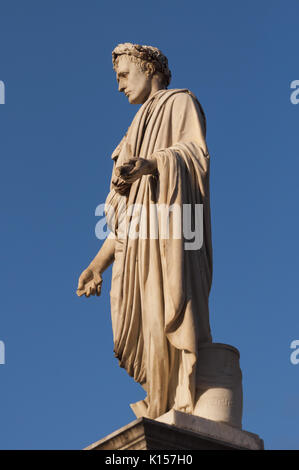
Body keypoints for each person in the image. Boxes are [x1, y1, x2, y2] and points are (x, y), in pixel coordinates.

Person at [77, 43, 213, 420]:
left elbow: (194, 156)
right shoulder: (131, 131)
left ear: (148, 67)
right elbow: (124, 220)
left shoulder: (180, 103)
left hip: (168, 239)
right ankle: (160, 400)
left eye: (123, 75)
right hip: (136, 249)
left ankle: (171, 402)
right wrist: (97, 265)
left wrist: (153, 164)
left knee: (164, 316)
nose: (120, 86)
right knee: (138, 330)